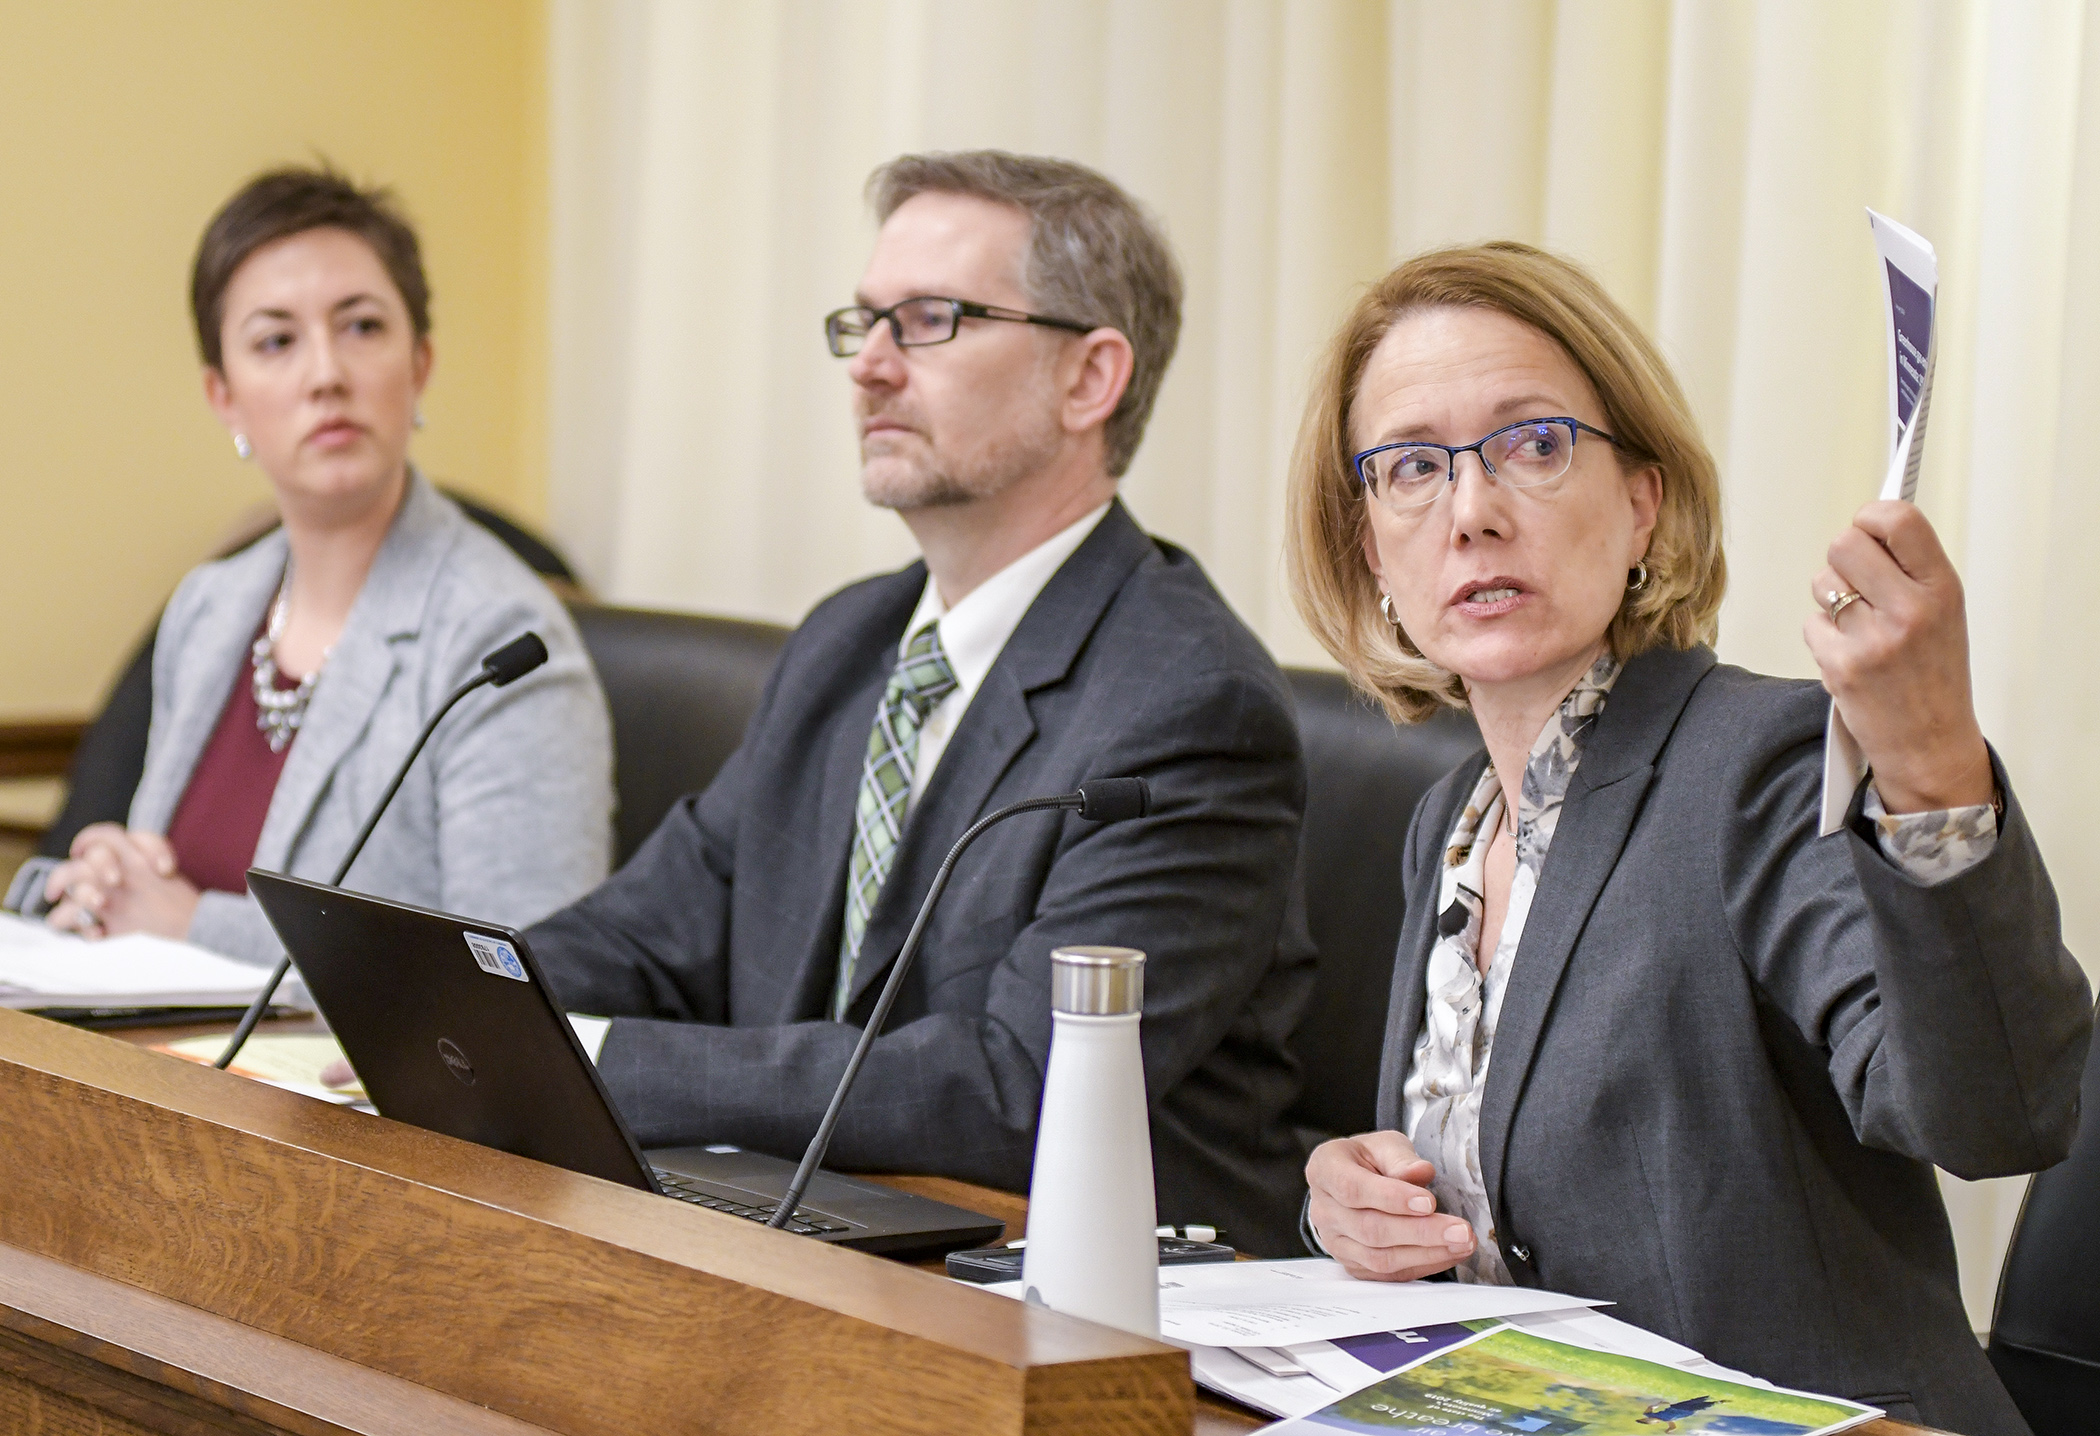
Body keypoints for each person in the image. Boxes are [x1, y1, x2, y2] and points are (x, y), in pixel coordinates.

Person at [1285, 241, 2090, 1433]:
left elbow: (1990, 1114)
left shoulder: (1754, 761)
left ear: (1643, 503)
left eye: (1535, 443)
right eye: (1411, 466)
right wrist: (1343, 1203)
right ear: (1372, 550)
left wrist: (1930, 767)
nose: (1472, 511)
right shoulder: (1448, 824)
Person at [524, 151, 1314, 1254]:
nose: (871, 368)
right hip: (828, 1239)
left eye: (930, 320)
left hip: (1101, 1302)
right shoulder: (848, 642)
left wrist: (606, 1059)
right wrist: (479, 1012)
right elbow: (659, 926)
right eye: (863, 322)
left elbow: (1011, 1084)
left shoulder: (1189, 705)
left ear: (1090, 378)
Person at [30, 167, 613, 969]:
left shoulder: (501, 639)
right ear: (224, 397)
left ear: (420, 364)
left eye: (363, 327)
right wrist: (107, 884)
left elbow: (522, 975)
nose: (326, 374)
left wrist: (189, 922)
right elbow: (152, 895)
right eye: (276, 341)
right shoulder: (210, 607)